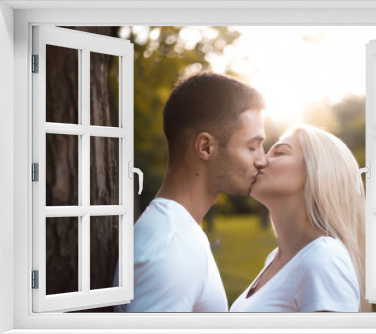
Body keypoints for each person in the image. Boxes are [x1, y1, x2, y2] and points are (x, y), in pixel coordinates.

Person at [114, 72, 267, 312]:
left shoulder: (178, 232)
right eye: (252, 147)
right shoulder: (171, 247)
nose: (262, 160)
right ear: (205, 147)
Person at [230, 124, 371, 312]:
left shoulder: (323, 258)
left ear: (318, 173)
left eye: (279, 153)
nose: (261, 161)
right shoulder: (277, 258)